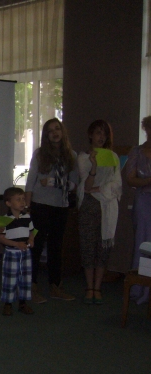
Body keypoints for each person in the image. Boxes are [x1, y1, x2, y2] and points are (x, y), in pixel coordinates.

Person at [25, 118, 78, 303]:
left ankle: (56, 286)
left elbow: (74, 184)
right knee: (36, 246)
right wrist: (27, 207)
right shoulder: (40, 154)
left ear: (62, 132)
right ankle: (31, 287)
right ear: (46, 135)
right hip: (40, 205)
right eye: (50, 130)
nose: (55, 133)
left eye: (57, 129)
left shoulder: (71, 155)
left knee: (56, 247)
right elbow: (31, 181)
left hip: (61, 206)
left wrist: (54, 182)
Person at [77, 120, 121, 305]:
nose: (101, 137)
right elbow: (86, 186)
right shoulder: (83, 158)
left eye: (104, 133)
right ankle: (89, 287)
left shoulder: (113, 156)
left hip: (107, 206)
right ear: (90, 135)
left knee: (103, 248)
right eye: (98, 133)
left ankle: (98, 287)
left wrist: (100, 189)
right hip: (88, 206)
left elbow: (117, 184)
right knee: (88, 246)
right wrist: (94, 166)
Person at [125, 116, 151, 304]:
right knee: (143, 241)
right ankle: (139, 288)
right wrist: (148, 181)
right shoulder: (137, 151)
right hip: (143, 199)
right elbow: (130, 179)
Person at [0, 187, 35, 316]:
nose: (22, 202)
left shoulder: (27, 217)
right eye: (18, 199)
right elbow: (1, 238)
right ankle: (8, 304)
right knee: (10, 278)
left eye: (23, 199)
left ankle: (23, 303)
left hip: (25, 252)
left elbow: (31, 231)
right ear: (8, 203)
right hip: (12, 252)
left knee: (25, 277)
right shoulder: (4, 219)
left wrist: (31, 239)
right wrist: (16, 244)